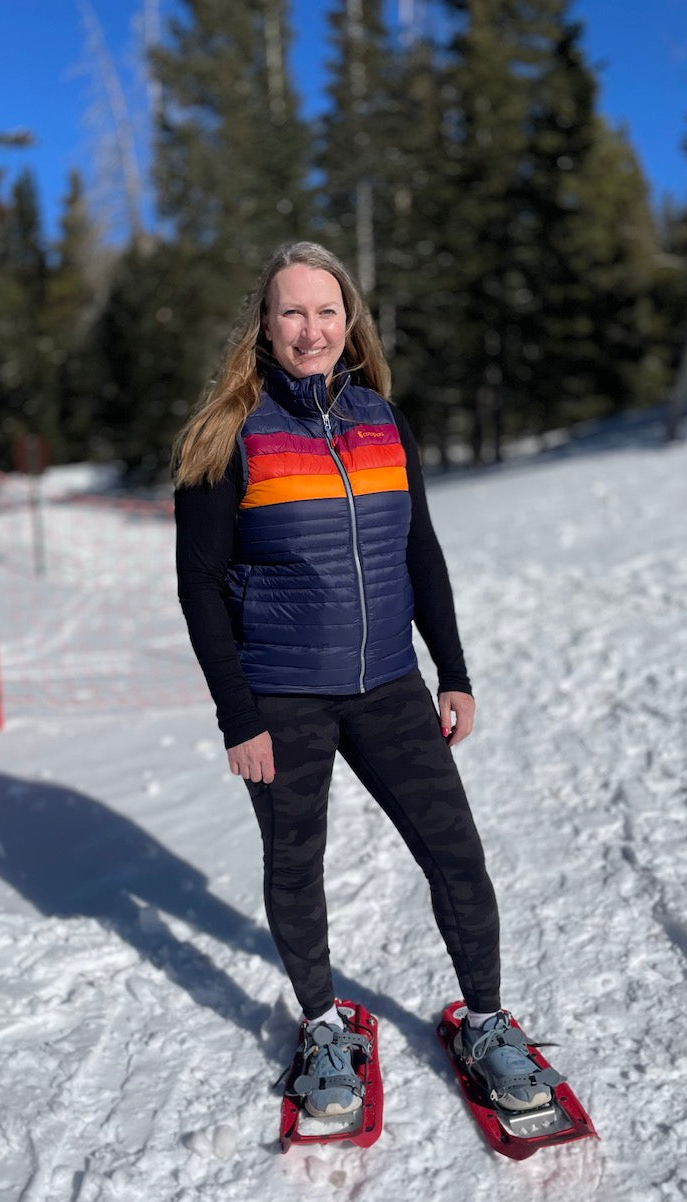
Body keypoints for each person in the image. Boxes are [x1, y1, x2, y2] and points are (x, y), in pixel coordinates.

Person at [174, 240, 555, 1118]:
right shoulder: (228, 435)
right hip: (280, 695)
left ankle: (488, 1021)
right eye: (293, 312)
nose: (312, 328)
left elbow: (418, 548)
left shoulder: (381, 418)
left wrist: (450, 670)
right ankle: (321, 1026)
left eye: (327, 310)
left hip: (388, 684)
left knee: (456, 851)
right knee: (296, 864)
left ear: (351, 323)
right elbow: (198, 586)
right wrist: (239, 716)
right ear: (264, 327)